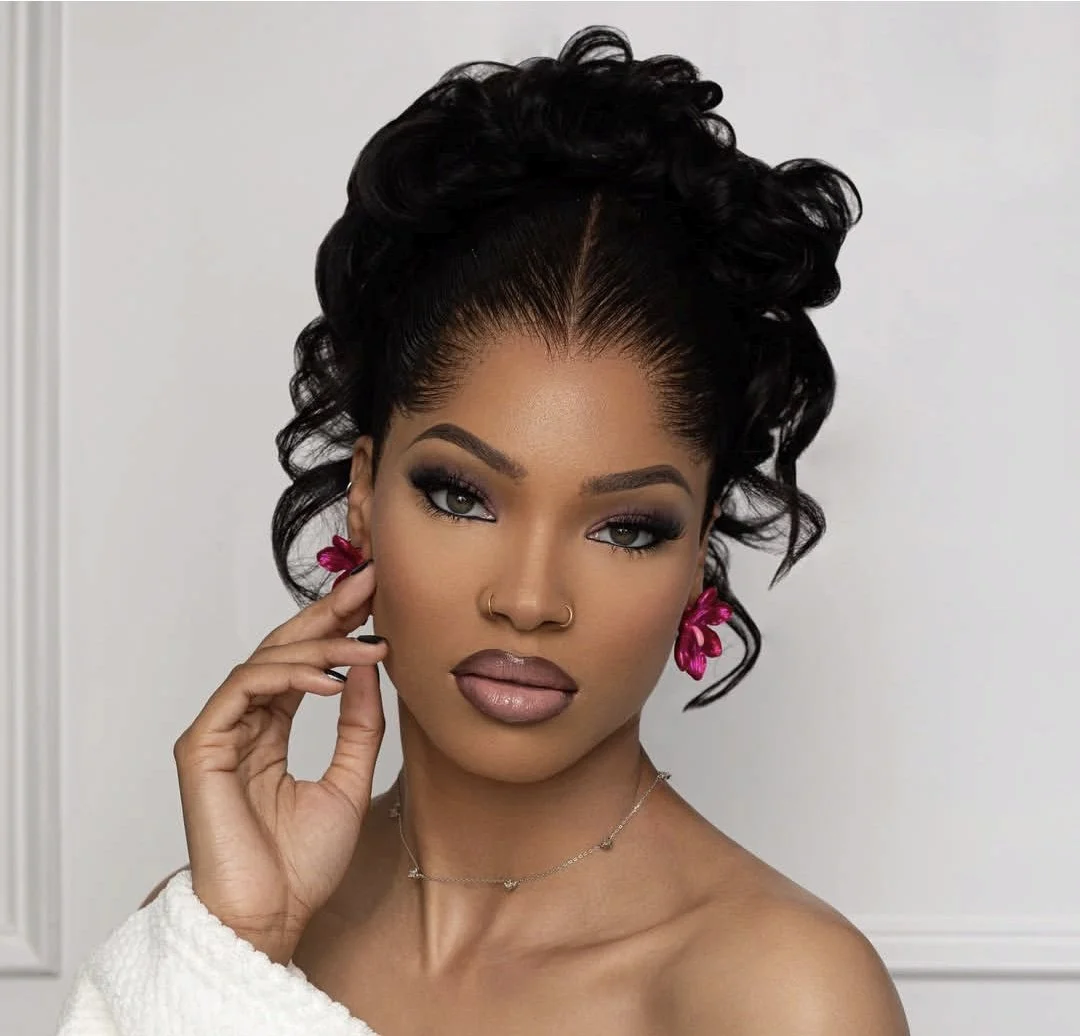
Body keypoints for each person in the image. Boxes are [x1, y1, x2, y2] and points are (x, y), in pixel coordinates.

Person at [57, 24, 909, 1036]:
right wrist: (238, 949)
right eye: (462, 495)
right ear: (363, 495)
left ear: (697, 564)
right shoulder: (218, 935)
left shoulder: (776, 996)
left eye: (628, 527)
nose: (529, 597)